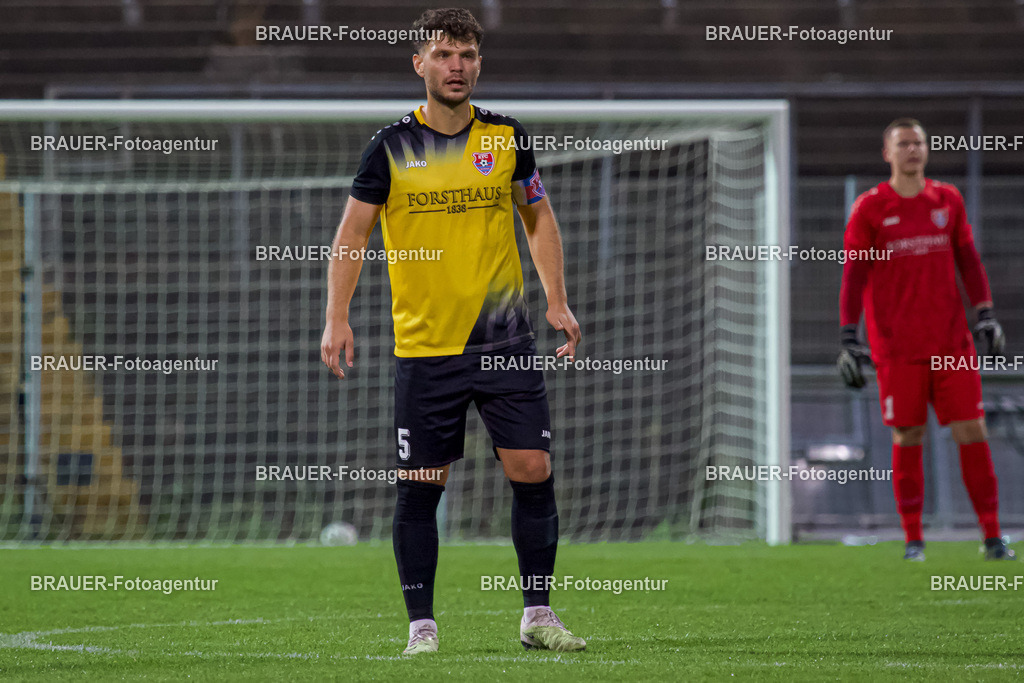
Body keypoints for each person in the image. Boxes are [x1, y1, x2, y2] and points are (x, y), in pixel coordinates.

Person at [320, 8, 587, 654]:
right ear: (419, 64)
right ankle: (421, 626)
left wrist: (557, 298)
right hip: (425, 348)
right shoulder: (389, 148)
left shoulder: (505, 138)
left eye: (466, 54)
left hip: (504, 342)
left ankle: (538, 615)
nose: (456, 66)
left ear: (479, 63)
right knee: (420, 485)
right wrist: (336, 315)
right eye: (443, 54)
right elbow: (352, 234)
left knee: (533, 465)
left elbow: (539, 217)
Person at [838, 117, 1014, 562]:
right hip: (897, 347)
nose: (912, 150)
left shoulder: (947, 200)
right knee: (908, 434)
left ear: (926, 149)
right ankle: (914, 540)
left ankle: (992, 537)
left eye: (918, 143)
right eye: (903, 144)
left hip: (951, 343)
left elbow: (969, 261)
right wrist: (847, 335)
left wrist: (985, 314)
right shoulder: (869, 208)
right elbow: (854, 276)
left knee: (971, 430)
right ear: (887, 153)